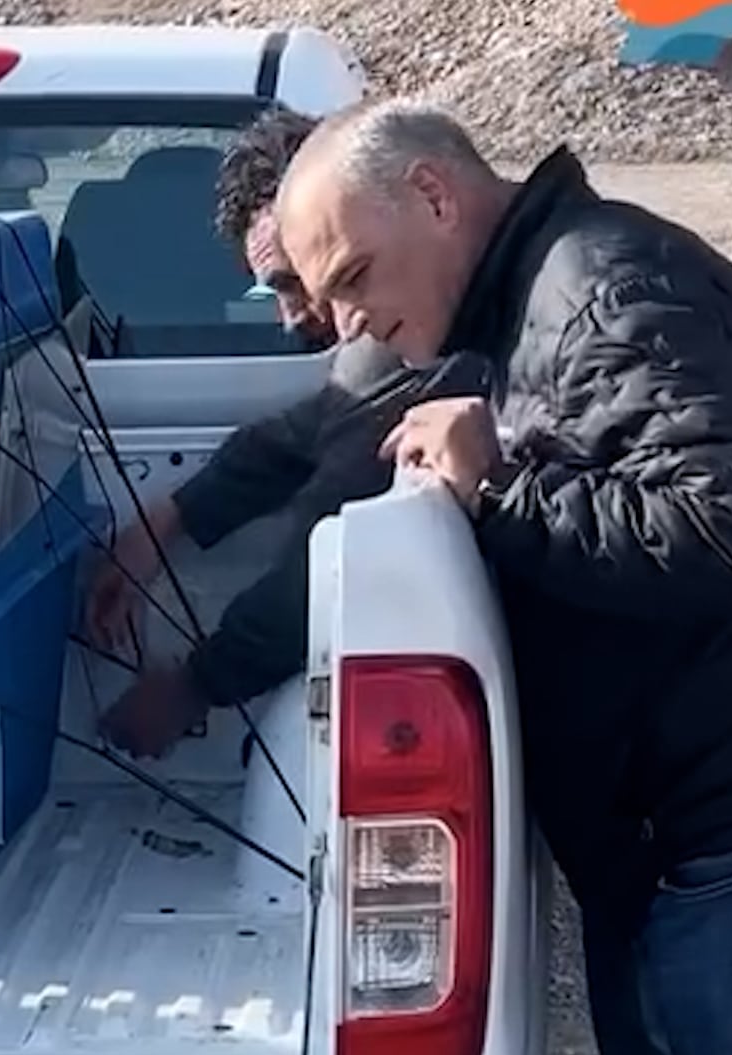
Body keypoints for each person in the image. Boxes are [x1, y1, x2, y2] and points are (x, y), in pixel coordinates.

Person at [276, 98, 732, 1055]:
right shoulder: (529, 313)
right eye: (329, 301)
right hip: (682, 855)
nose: (348, 320)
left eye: (356, 276)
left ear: (432, 194)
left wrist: (495, 488)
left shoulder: (601, 287)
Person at [86, 104, 487, 759]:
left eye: (294, 282)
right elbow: (308, 426)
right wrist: (164, 521)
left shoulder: (421, 337)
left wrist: (191, 687)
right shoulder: (378, 340)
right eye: (268, 291)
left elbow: (321, 568)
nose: (291, 318)